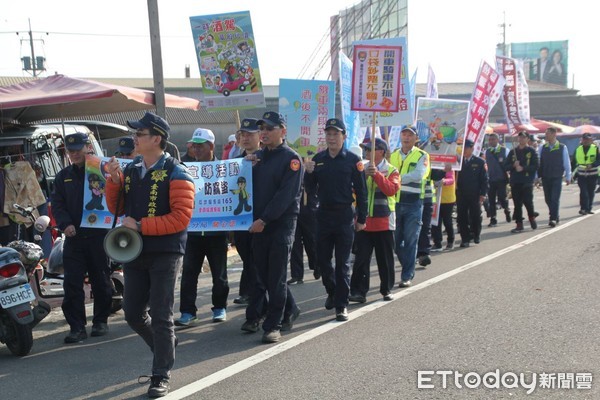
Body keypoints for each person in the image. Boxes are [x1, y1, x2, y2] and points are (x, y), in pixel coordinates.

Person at [105, 111, 195, 398]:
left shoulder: (178, 172)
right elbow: (115, 209)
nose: (134, 138)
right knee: (132, 313)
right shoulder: (131, 169)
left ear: (156, 139)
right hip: (135, 251)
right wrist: (114, 180)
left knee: (161, 315)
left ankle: (160, 374)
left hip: (166, 252)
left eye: (139, 134)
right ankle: (165, 346)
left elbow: (181, 218)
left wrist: (141, 225)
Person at [242, 112, 303, 343]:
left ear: (283, 131)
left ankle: (273, 325)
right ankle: (291, 309)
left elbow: (285, 196)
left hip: (280, 225)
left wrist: (265, 220)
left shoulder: (291, 159)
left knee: (276, 276)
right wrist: (244, 165)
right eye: (263, 129)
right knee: (264, 276)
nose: (265, 133)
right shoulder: (256, 158)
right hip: (257, 224)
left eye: (270, 128)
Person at [51, 132, 113, 344]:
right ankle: (76, 327)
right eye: (70, 151)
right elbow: (57, 204)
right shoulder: (63, 176)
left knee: (101, 280)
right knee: (72, 284)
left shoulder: (101, 170)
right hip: (74, 237)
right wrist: (65, 224)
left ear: (87, 147)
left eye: (78, 149)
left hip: (98, 236)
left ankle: (100, 321)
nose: (74, 154)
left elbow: (114, 196)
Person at [305, 118, 367, 321]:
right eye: (328, 134)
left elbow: (361, 191)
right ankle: (331, 291)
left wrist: (362, 217)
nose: (331, 138)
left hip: (344, 216)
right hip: (323, 216)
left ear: (344, 136)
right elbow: (310, 187)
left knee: (342, 263)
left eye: (335, 134)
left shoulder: (352, 160)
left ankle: (341, 304)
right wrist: (308, 173)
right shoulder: (318, 159)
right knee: (322, 261)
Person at [175, 128, 230, 326]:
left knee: (219, 273)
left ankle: (219, 307)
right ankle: (188, 312)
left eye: (200, 145)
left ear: (211, 146)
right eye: (194, 145)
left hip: (217, 231)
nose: (196, 149)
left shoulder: (225, 169)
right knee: (189, 273)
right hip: (192, 231)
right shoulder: (185, 169)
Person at [348, 138, 399, 303]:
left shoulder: (391, 170)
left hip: (384, 222)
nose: (367, 152)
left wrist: (376, 174)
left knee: (385, 259)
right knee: (361, 259)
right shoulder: (361, 168)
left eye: (371, 149)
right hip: (364, 222)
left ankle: (387, 289)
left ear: (381, 152)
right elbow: (354, 190)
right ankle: (358, 291)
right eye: (366, 149)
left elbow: (391, 190)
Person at [389, 126, 430, 287]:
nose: (406, 138)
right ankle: (407, 263)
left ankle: (407, 275)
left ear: (416, 138)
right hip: (395, 203)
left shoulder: (422, 155)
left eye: (410, 135)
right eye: (404, 134)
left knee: (411, 240)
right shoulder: (392, 155)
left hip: (413, 203)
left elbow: (419, 175)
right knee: (396, 241)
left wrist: (396, 178)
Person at [232, 118, 261, 306]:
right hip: (240, 220)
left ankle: (255, 302)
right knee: (248, 259)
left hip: (262, 220)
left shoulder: (268, 159)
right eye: (242, 134)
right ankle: (249, 294)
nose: (246, 138)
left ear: (260, 136)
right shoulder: (233, 163)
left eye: (250, 134)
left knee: (257, 261)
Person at [505, 131, 539, 233]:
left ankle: (531, 217)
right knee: (517, 203)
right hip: (515, 181)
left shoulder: (531, 151)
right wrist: (513, 166)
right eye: (520, 137)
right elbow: (506, 166)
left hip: (527, 181)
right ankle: (519, 224)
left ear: (528, 139)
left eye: (524, 138)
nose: (521, 139)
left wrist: (523, 168)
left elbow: (535, 166)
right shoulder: (513, 152)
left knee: (528, 202)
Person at [456, 139, 488, 247]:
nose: (464, 150)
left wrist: (483, 194)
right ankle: (465, 238)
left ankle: (476, 234)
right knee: (461, 217)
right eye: (462, 148)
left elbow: (484, 180)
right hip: (461, 194)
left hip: (475, 194)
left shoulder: (479, 162)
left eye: (466, 148)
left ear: (472, 148)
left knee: (475, 216)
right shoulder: (458, 162)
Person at [538, 127, 572, 226]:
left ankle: (552, 218)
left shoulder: (562, 147)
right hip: (545, 176)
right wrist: (537, 176)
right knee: (548, 199)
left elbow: (566, 162)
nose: (546, 135)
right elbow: (539, 163)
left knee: (554, 198)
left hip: (557, 176)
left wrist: (568, 176)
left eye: (547, 133)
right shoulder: (543, 147)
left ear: (554, 134)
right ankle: (555, 214)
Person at [288, 182, 319, 284]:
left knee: (311, 242)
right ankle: (297, 275)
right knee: (295, 244)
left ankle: (317, 266)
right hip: (294, 211)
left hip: (310, 210)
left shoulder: (312, 169)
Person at [485, 133, 511, 227]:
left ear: (497, 140)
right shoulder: (487, 151)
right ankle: (493, 218)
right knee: (491, 200)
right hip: (491, 179)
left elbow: (509, 164)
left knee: (502, 197)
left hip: (501, 179)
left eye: (493, 139)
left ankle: (506, 209)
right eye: (490, 140)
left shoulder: (505, 150)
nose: (491, 141)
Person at [431, 164, 456, 251]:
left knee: (447, 220)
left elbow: (451, 179)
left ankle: (450, 241)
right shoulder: (432, 165)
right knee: (435, 222)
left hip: (447, 199)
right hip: (435, 199)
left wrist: (443, 181)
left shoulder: (447, 165)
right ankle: (437, 243)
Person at [573, 133, 599, 215]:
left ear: (591, 140)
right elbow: (573, 162)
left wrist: (592, 164)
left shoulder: (595, 149)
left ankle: (588, 208)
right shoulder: (578, 149)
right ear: (582, 140)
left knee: (591, 192)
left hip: (593, 174)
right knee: (584, 192)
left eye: (587, 139)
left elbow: (599, 160)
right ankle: (583, 208)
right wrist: (572, 174)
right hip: (581, 174)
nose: (585, 141)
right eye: (584, 139)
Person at [416, 168, 435, 267]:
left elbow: (436, 174)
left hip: (426, 198)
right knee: (410, 230)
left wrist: (444, 170)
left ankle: (424, 253)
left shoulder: (428, 156)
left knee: (425, 227)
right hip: (409, 199)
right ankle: (412, 253)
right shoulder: (398, 155)